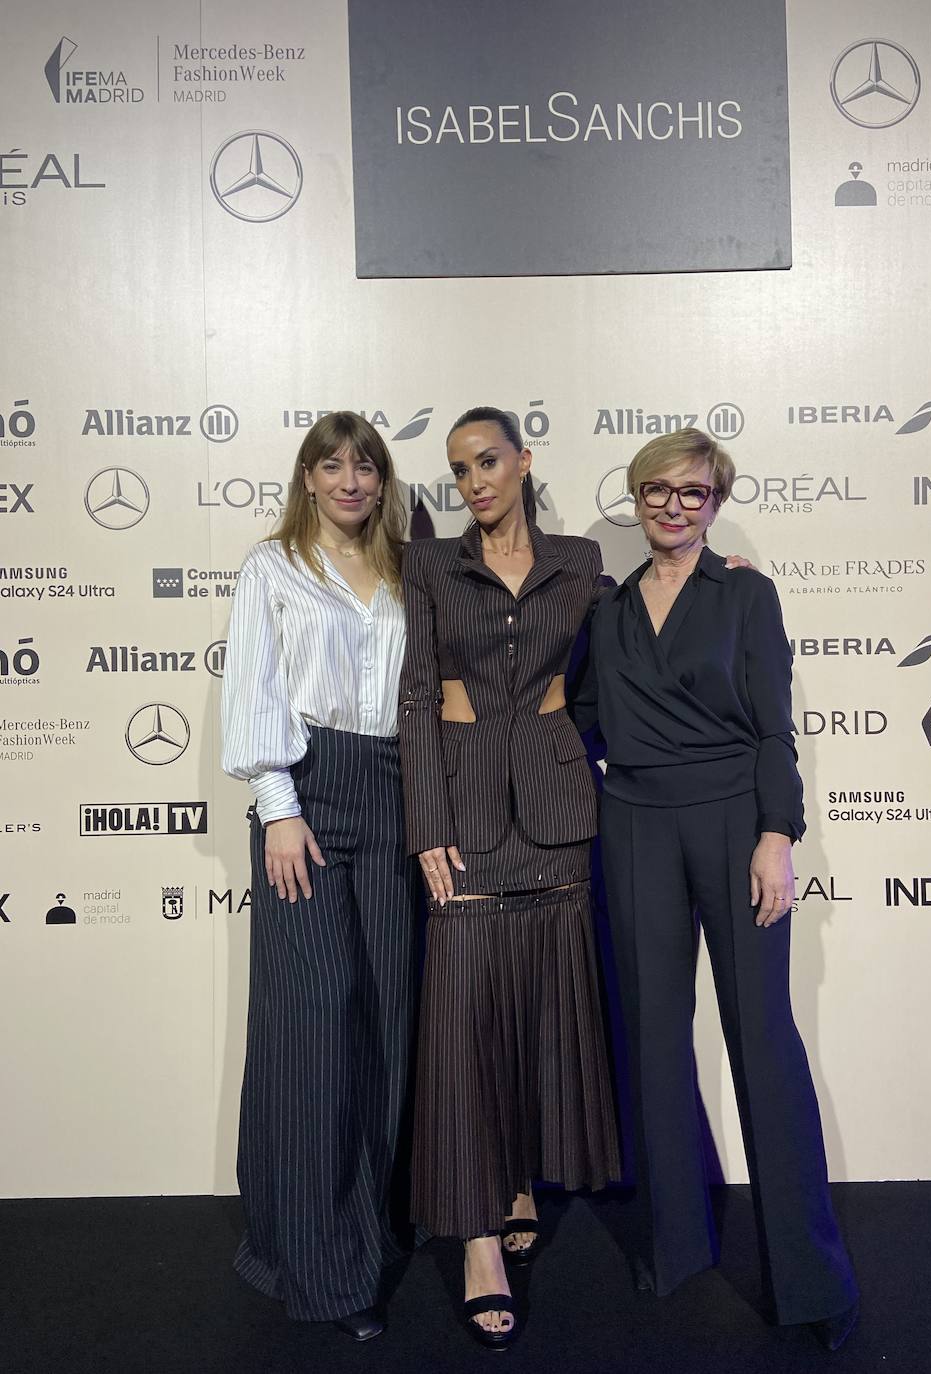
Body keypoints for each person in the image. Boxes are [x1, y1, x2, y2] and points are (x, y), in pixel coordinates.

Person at [573, 428, 860, 1351]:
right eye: (657, 490)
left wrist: (777, 834)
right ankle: (676, 1249)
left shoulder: (745, 592)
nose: (672, 506)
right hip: (634, 824)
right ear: (636, 496)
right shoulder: (606, 611)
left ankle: (809, 1281)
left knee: (761, 1042)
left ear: (715, 502)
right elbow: (577, 719)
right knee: (653, 1040)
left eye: (692, 493)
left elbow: (773, 727)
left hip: (735, 820)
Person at [398, 406, 621, 1348]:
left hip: (559, 814)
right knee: (465, 1021)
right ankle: (479, 1238)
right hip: (465, 814)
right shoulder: (429, 566)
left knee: (538, 1012)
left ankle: (521, 1172)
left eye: (488, 461)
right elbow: (415, 697)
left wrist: (709, 582)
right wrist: (425, 827)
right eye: (458, 470)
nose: (474, 481)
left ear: (524, 461)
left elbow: (621, 661)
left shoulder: (580, 561)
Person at [220, 412, 419, 1342]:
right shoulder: (271, 569)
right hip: (306, 796)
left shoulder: (408, 575)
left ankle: (363, 1233)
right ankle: (318, 1266)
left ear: (382, 482)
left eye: (365, 466)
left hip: (397, 794)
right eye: (330, 465)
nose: (349, 480)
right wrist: (278, 805)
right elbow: (255, 686)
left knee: (382, 1021)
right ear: (305, 478)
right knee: (312, 1031)